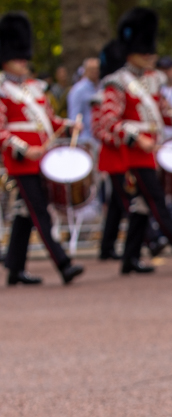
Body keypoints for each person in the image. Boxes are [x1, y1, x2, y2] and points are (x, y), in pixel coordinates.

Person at [100, 7, 172, 275]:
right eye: (144, 51)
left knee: (140, 206)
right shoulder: (117, 83)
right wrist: (138, 139)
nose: (150, 56)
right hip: (133, 155)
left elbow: (160, 114)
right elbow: (109, 122)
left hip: (149, 152)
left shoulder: (153, 81)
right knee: (157, 203)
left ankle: (129, 260)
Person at [0, 12, 84, 286]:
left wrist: (70, 126)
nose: (23, 61)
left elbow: (49, 120)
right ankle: (63, 263)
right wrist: (23, 149)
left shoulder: (35, 88)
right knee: (39, 211)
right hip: (21, 161)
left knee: (26, 213)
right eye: (17, 57)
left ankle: (14, 268)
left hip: (42, 158)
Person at [92, 38, 133, 262]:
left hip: (125, 154)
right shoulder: (102, 95)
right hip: (113, 155)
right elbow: (99, 129)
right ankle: (149, 239)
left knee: (117, 204)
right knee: (128, 200)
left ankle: (107, 247)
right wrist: (120, 139)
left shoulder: (122, 89)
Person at [66, 57, 99, 145]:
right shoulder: (77, 90)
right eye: (91, 69)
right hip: (85, 140)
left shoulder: (102, 87)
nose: (95, 72)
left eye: (97, 69)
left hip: (100, 140)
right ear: (85, 71)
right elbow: (74, 116)